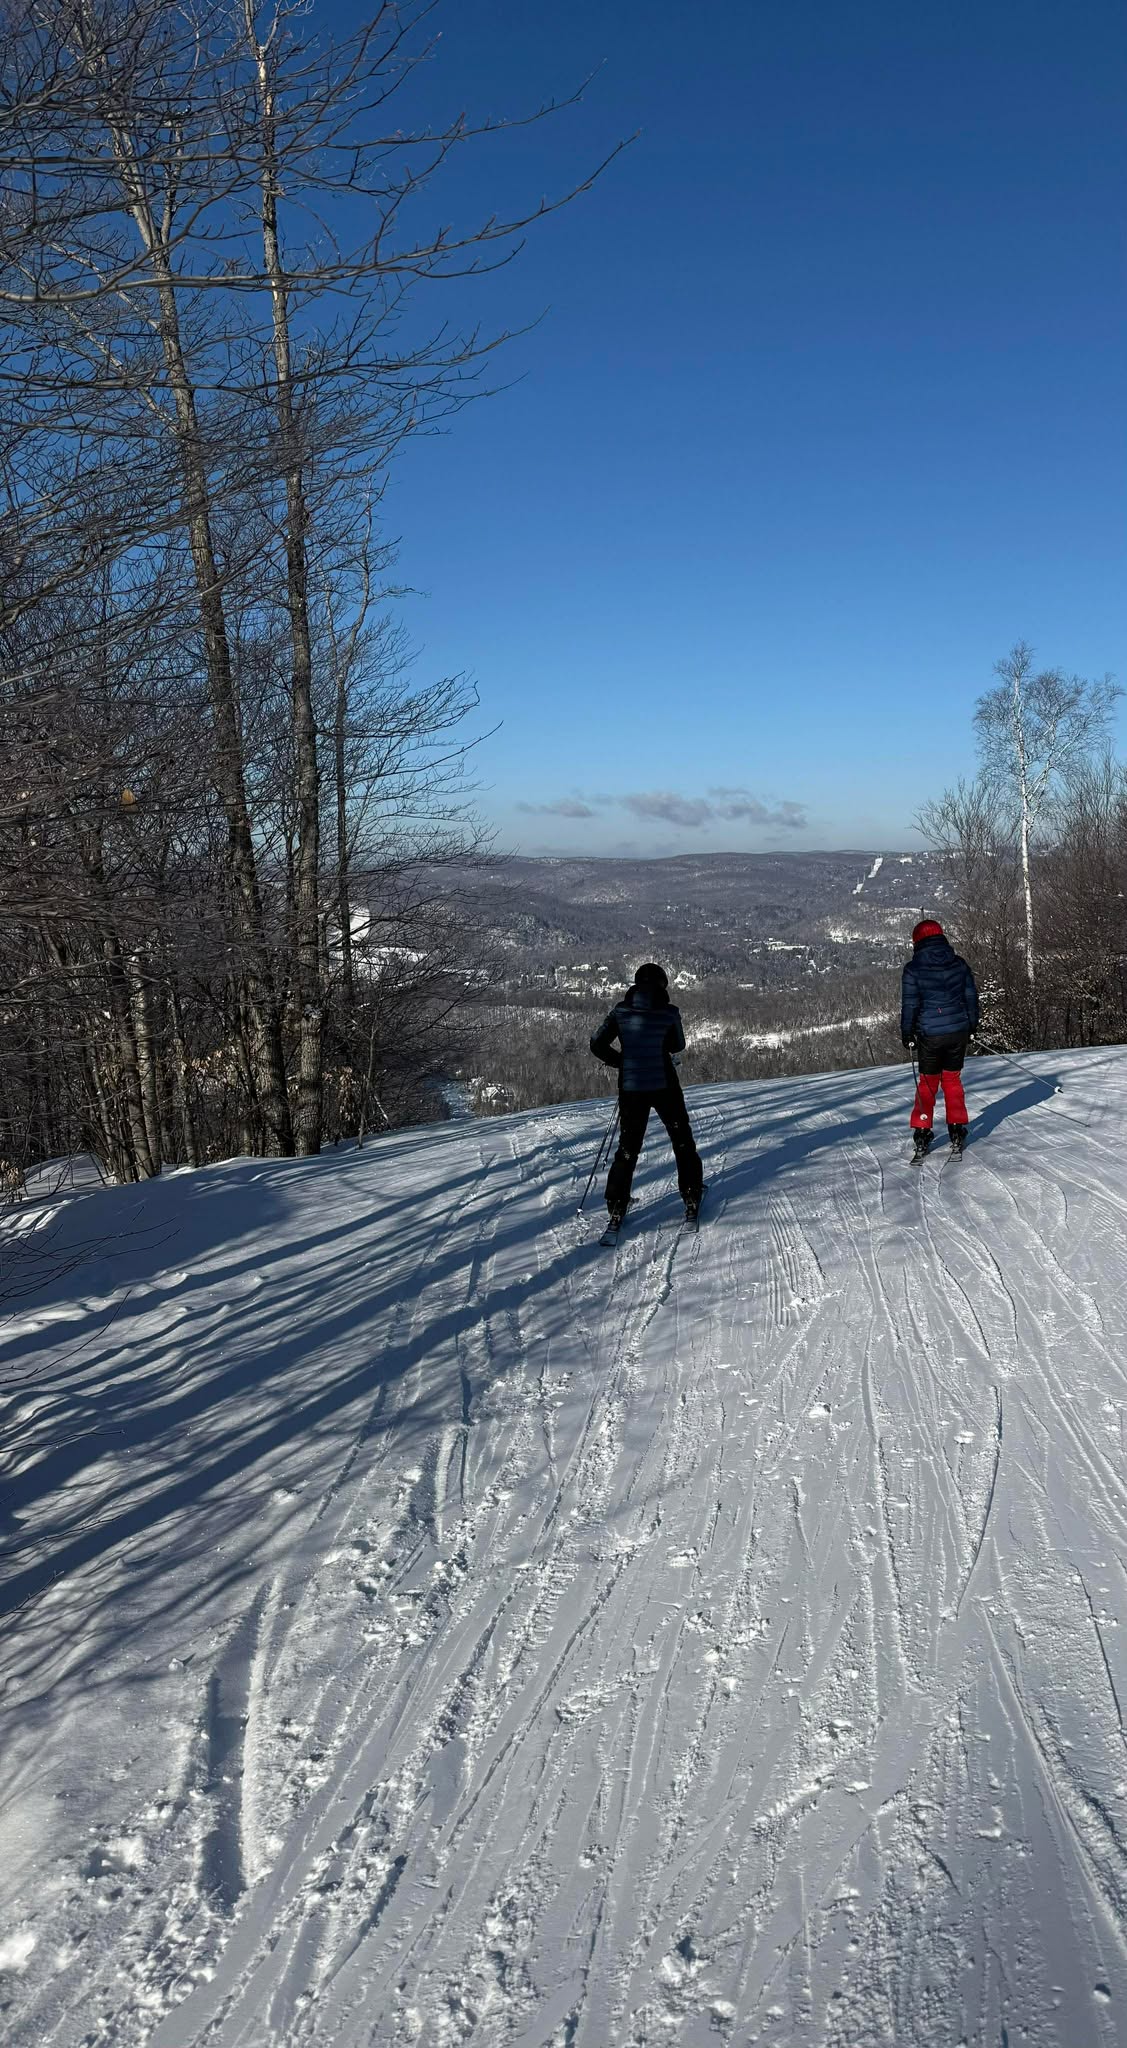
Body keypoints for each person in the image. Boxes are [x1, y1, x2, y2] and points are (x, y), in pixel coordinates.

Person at [590, 962, 704, 1225]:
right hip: (664, 1085)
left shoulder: (621, 1012)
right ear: (662, 986)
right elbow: (677, 1045)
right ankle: (691, 1195)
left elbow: (597, 1044)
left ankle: (617, 1204)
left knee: (628, 1147)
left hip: (631, 1088)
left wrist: (622, 1060)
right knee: (682, 1139)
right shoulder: (669, 1012)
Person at [900, 918, 979, 1157]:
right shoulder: (959, 964)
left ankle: (923, 1132)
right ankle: (956, 1128)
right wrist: (972, 1027)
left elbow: (910, 1005)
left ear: (917, 941)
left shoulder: (913, 970)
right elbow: (971, 998)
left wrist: (907, 1032)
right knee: (952, 1081)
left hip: (930, 1036)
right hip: (958, 1032)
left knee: (927, 1084)